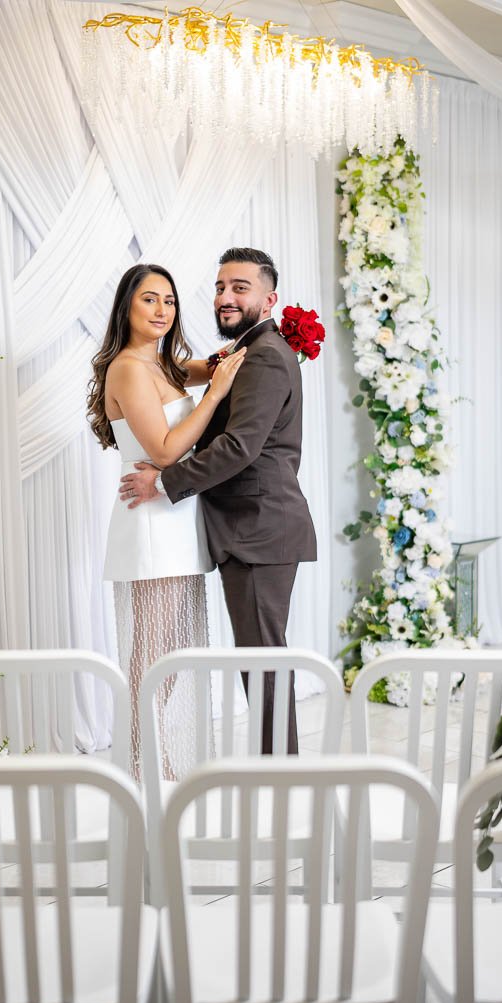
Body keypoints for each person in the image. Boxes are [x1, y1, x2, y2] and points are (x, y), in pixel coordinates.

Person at [118, 248, 316, 754]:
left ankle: (282, 778)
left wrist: (162, 482)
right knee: (256, 657)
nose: (225, 297)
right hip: (244, 528)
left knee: (263, 660)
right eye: (221, 286)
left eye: (240, 288)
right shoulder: (240, 352)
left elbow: (240, 446)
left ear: (269, 298)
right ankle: (274, 772)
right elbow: (172, 372)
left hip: (260, 527)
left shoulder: (265, 355)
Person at [88, 263, 246, 778]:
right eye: (150, 300)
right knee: (153, 651)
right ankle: (141, 763)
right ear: (126, 308)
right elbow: (164, 449)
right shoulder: (130, 368)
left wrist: (276, 331)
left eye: (170, 301)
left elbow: (214, 361)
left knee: (172, 648)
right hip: (151, 520)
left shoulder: (164, 364)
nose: (162, 310)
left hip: (176, 517)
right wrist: (216, 394)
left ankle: (153, 756)